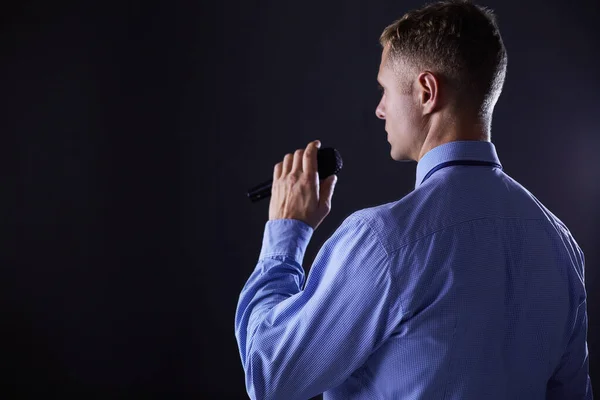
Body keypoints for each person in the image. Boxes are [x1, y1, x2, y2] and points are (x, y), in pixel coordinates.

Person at [234, 0, 593, 399]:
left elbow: (270, 376)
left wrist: (286, 235)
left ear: (426, 91)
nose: (379, 109)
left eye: (384, 89)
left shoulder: (384, 241)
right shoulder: (560, 245)